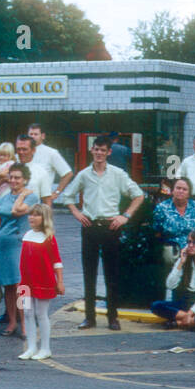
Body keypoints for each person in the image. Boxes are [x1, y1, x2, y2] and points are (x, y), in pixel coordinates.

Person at [64, 134, 145, 330]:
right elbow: (67, 196)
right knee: (89, 273)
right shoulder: (84, 175)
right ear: (92, 151)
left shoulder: (118, 174)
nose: (99, 153)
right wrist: (77, 213)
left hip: (111, 228)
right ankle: (89, 318)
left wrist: (125, 216)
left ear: (109, 152)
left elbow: (138, 195)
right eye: (96, 149)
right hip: (90, 227)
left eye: (103, 150)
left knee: (112, 274)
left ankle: (112, 318)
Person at [0, 163, 39, 337]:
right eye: (11, 177)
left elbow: (17, 212)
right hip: (3, 246)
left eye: (18, 177)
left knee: (22, 285)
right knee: (8, 286)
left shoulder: (31, 197)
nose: (13, 181)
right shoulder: (3, 198)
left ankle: (26, 323)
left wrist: (22, 194)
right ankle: (12, 322)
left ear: (25, 179)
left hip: (20, 245)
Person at [18, 203, 64, 361]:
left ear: (44, 218)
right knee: (27, 313)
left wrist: (60, 282)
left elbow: (56, 261)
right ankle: (31, 347)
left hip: (43, 280)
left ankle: (45, 348)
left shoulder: (49, 237)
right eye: (30, 214)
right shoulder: (27, 235)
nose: (31, 217)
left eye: (36, 215)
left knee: (41, 314)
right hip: (25, 281)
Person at [150, 231, 195, 330]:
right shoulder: (183, 260)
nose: (190, 246)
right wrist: (181, 263)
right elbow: (170, 285)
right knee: (156, 306)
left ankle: (178, 323)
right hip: (185, 300)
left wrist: (191, 312)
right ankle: (191, 321)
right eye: (189, 242)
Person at [152, 176, 195, 253]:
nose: (181, 191)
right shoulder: (161, 208)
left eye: (184, 189)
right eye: (178, 188)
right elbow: (156, 233)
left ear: (189, 194)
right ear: (172, 191)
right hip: (171, 250)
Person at [26, 123, 74, 200]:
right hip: (23, 198)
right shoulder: (21, 153)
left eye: (36, 134)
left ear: (43, 136)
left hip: (42, 199)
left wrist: (56, 193)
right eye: (30, 134)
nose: (33, 137)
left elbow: (68, 174)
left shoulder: (51, 153)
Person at [13, 136, 55, 204]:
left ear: (33, 150)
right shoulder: (8, 168)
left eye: (24, 149)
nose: (21, 152)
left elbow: (47, 202)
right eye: (18, 149)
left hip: (31, 213)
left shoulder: (41, 172)